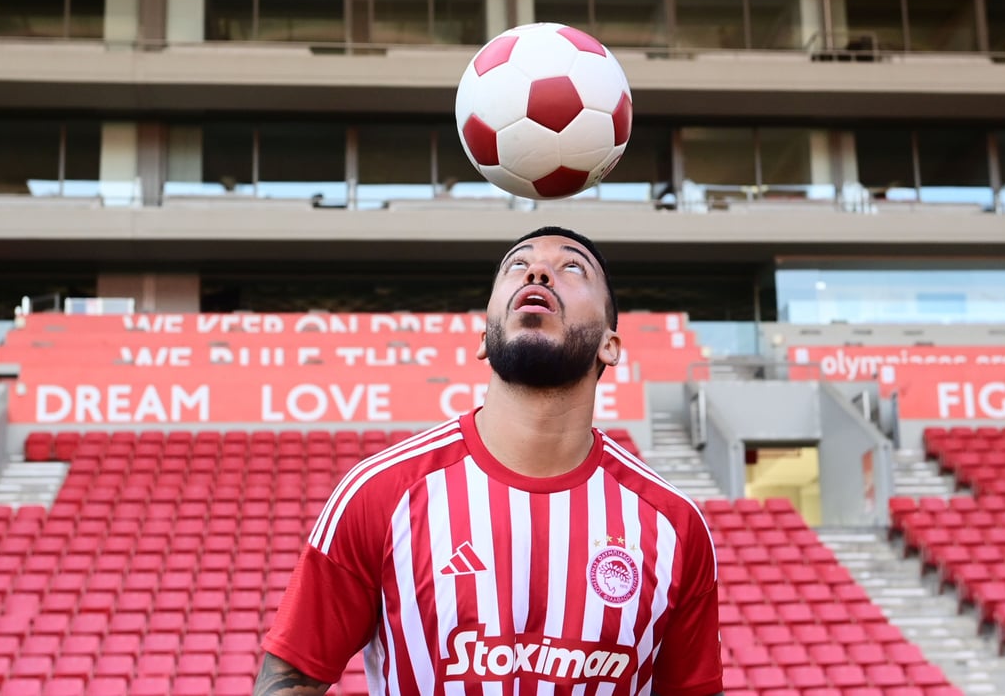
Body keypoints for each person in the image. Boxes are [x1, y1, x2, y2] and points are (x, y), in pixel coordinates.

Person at [256, 226, 723, 695]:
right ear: (484, 338)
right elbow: (290, 678)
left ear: (610, 345)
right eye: (517, 266)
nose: (537, 272)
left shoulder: (674, 526)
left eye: (572, 267)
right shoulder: (380, 492)